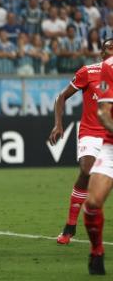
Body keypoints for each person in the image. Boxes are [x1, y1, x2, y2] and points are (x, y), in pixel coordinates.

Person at [48, 38, 113, 245]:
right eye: (109, 48)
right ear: (102, 54)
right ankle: (70, 225)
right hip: (91, 133)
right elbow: (61, 97)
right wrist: (58, 124)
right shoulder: (88, 71)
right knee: (86, 170)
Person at [83, 47, 113, 275]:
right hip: (112, 145)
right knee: (92, 204)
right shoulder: (109, 66)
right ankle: (97, 249)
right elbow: (103, 112)